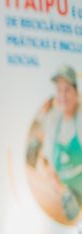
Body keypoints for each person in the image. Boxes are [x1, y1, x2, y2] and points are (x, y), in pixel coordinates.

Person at [27, 65, 82, 223]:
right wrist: (63, 192)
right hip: (68, 203)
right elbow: (50, 168)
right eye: (59, 90)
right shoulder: (53, 122)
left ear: (76, 93)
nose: (63, 96)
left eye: (67, 90)